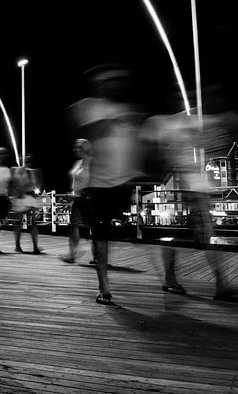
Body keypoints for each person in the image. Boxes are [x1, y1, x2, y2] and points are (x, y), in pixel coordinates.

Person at [142, 105, 238, 303]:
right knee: (204, 236)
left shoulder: (195, 123)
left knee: (179, 236)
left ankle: (173, 280)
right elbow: (153, 133)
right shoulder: (182, 122)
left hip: (195, 189)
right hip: (192, 189)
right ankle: (219, 285)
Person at [69, 65, 145, 305]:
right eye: (107, 81)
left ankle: (165, 278)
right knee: (99, 234)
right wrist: (116, 123)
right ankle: (104, 285)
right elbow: (87, 127)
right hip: (97, 186)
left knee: (122, 232)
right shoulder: (89, 107)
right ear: (98, 85)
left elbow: (136, 145)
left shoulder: (128, 110)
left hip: (122, 184)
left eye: (117, 80)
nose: (113, 84)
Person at [60, 139, 96, 264]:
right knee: (74, 227)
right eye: (75, 147)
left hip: (89, 199)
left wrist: (89, 193)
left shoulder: (92, 163)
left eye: (78, 147)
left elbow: (96, 180)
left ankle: (97, 257)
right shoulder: (78, 163)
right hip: (77, 199)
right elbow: (74, 179)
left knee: (94, 228)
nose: (76, 150)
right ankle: (72, 255)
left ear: (85, 148)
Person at [10, 154, 44, 254]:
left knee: (33, 222)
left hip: (31, 197)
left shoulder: (33, 171)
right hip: (21, 197)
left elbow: (37, 184)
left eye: (28, 160)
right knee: (18, 222)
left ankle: (35, 246)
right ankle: (17, 245)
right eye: (25, 160)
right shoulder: (16, 170)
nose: (27, 161)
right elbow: (14, 183)